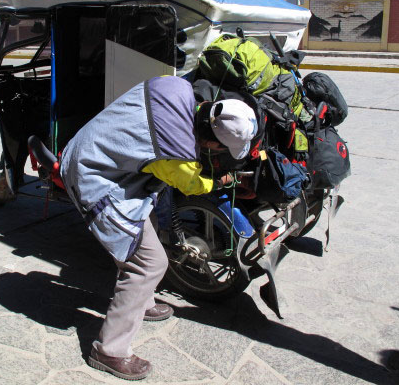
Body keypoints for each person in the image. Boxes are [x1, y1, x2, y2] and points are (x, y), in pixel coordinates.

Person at [60, 75, 257, 380]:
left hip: (95, 150)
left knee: (145, 229)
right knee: (149, 263)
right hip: (92, 175)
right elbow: (191, 185)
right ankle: (110, 350)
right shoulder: (176, 153)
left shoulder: (175, 87)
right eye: (220, 149)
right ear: (211, 142)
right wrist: (221, 181)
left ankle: (140, 301)